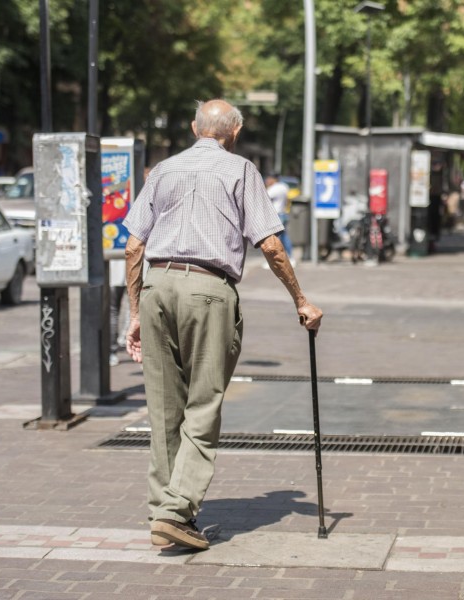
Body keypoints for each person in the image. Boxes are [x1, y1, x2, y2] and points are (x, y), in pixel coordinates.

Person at [122, 99, 323, 550]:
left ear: (195, 128)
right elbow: (270, 245)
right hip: (208, 290)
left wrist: (136, 313)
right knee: (203, 403)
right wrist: (301, 299)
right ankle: (176, 511)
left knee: (163, 409)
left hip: (157, 286)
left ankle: (164, 510)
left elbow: (134, 247)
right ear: (234, 133)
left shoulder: (163, 171)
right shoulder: (242, 171)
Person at [265, 173, 294, 265]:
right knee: (285, 237)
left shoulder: (274, 189)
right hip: (283, 213)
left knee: (275, 239)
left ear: (273, 179)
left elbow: (264, 199)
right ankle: (291, 258)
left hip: (276, 215)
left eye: (268, 179)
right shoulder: (284, 186)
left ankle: (275, 261)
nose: (267, 181)